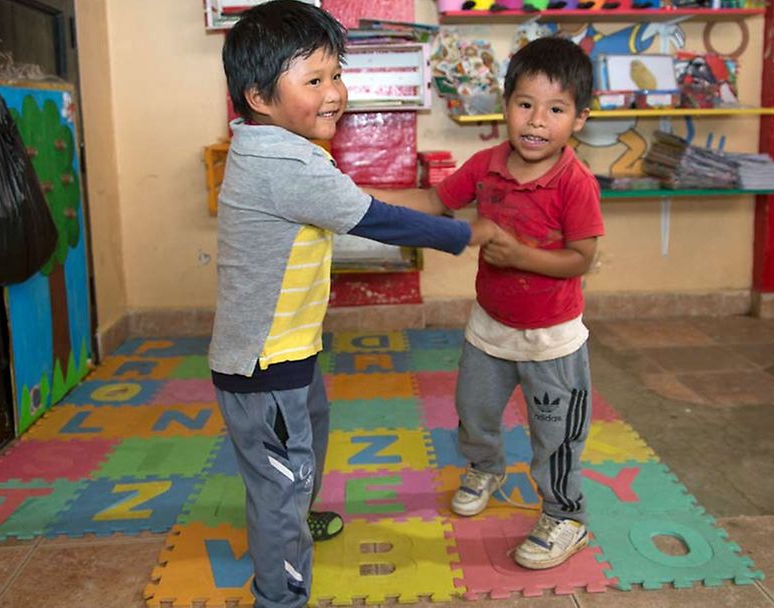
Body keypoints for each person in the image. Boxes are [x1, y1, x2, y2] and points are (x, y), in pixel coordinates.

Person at [210, 2, 497, 606]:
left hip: (286, 353)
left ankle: (298, 509)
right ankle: (280, 594)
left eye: (335, 74)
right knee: (278, 480)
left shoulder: (268, 145)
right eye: (314, 80)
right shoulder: (286, 162)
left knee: (302, 449)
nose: (335, 92)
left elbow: (352, 199)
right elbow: (375, 219)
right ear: (260, 95)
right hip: (265, 366)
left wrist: (439, 202)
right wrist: (464, 233)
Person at [369, 36, 604, 570]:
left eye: (556, 109)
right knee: (473, 413)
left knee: (555, 437)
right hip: (489, 329)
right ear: (505, 105)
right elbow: (434, 202)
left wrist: (520, 255)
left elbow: (580, 259)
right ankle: (486, 467)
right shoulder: (486, 164)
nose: (537, 121)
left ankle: (565, 514)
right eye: (525, 104)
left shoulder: (575, 183)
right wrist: (362, 198)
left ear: (580, 119)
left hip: (551, 341)